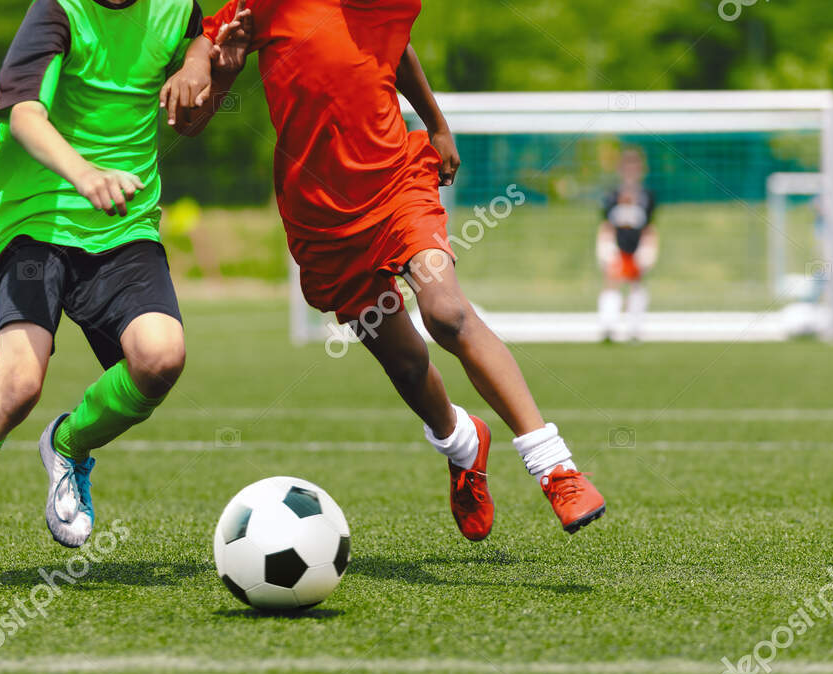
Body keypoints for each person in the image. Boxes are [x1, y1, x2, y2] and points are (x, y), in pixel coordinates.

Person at [171, 0, 607, 540]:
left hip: (396, 180)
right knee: (404, 363)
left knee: (446, 312)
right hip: (320, 217)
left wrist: (436, 125)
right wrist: (212, 70)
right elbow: (190, 123)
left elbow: (393, 47)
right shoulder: (264, 5)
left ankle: (555, 466)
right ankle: (461, 442)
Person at [0, 0, 222, 595]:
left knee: (161, 357)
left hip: (123, 223)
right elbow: (24, 114)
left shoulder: (176, 9)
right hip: (35, 222)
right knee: (18, 385)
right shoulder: (57, 11)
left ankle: (68, 445)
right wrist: (84, 174)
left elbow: (202, 33)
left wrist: (200, 59)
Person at [597, 147, 659, 342]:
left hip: (637, 245)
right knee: (612, 281)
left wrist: (648, 248)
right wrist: (606, 247)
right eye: (627, 166)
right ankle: (608, 326)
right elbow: (606, 224)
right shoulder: (611, 196)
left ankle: (635, 328)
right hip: (617, 244)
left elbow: (649, 226)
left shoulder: (647, 196)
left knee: (636, 283)